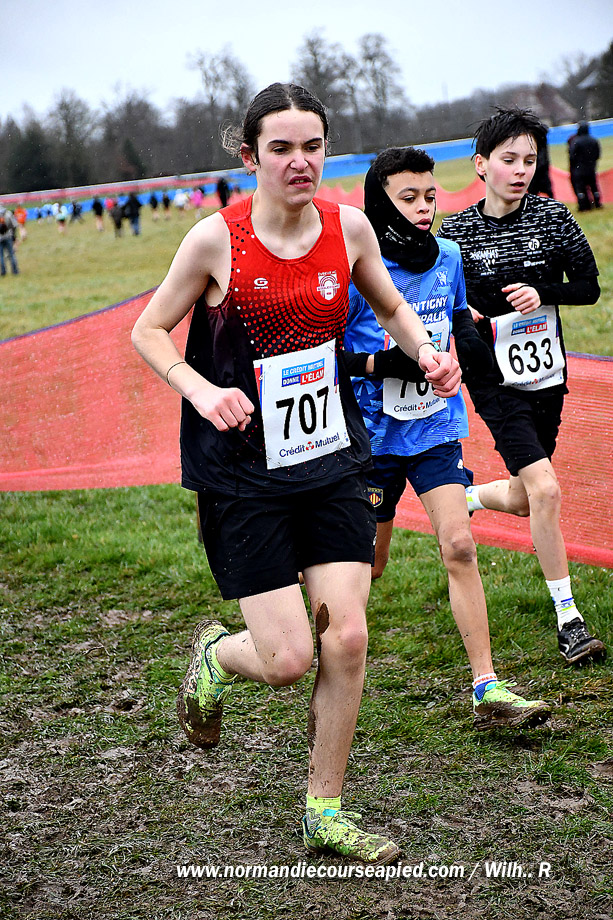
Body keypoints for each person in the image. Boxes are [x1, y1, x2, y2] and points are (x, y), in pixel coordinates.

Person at [132, 82, 461, 865]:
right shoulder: (215, 240)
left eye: (311, 146)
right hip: (240, 472)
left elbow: (390, 307)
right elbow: (147, 330)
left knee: (347, 635)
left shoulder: (348, 228)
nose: (298, 161)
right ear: (250, 156)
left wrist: (426, 350)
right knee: (286, 660)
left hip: (330, 458)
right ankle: (217, 654)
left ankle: (324, 811)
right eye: (280, 148)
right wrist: (200, 390)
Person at [343, 147, 551, 729]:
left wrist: (476, 353)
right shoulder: (359, 269)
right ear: (380, 203)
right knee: (368, 566)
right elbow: (330, 359)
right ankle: (313, 633)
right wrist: (385, 365)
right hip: (372, 437)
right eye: (408, 198)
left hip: (436, 426)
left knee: (459, 545)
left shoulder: (450, 256)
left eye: (430, 196)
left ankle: (487, 686)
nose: (423, 208)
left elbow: (457, 317)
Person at [438, 106, 606, 666]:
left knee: (525, 494)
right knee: (547, 490)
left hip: (546, 374)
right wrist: (469, 322)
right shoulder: (455, 234)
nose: (521, 170)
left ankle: (464, 498)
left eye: (530, 160)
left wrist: (542, 291)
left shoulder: (553, 218)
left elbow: (589, 287)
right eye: (509, 159)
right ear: (480, 164)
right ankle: (569, 620)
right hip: (493, 381)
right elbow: (445, 304)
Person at [569, 122, 602, 211]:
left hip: (579, 169)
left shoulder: (576, 141)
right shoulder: (594, 140)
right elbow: (597, 154)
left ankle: (583, 206)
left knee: (580, 188)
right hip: (591, 168)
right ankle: (597, 203)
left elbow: (572, 156)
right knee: (594, 187)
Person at [528, 128, 553, 198]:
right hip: (540, 170)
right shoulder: (540, 141)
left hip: (539, 170)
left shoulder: (539, 142)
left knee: (535, 191)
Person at [0, 208, 19, 275]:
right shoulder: (8, 213)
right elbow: (14, 225)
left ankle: (3, 271)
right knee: (11, 254)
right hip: (8, 236)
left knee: (1, 256)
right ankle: (15, 271)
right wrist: (13, 236)